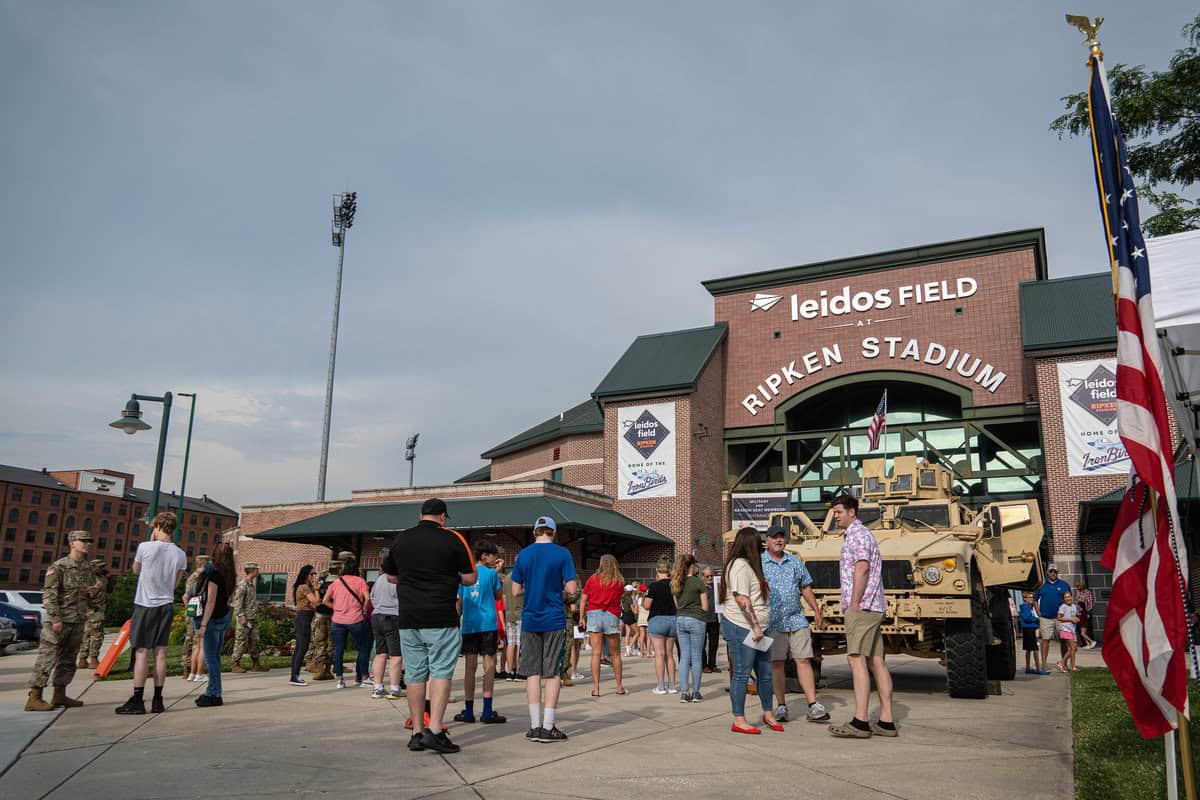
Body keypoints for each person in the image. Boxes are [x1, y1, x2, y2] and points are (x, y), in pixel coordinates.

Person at [386, 498, 476, 754]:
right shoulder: (453, 538)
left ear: (421, 515)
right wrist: (449, 573)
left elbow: (391, 575)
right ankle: (435, 730)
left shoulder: (401, 539)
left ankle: (416, 731)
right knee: (440, 673)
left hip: (409, 618)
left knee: (414, 674)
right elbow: (470, 578)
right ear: (443, 517)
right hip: (441, 616)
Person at [828, 495, 896, 739]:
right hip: (874, 605)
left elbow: (862, 567)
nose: (835, 516)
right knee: (876, 661)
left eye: (838, 512)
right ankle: (886, 721)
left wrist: (854, 603)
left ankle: (860, 721)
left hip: (863, 607)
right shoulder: (864, 534)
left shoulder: (857, 534)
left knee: (856, 659)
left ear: (852, 512)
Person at [511, 515, 577, 743]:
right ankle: (548, 727)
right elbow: (571, 587)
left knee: (532, 672)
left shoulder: (524, 555)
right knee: (553, 672)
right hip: (554, 618)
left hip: (530, 618)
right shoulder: (563, 554)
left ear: (534, 532)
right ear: (553, 532)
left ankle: (534, 726)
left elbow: (515, 590)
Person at [116, 512, 187, 715]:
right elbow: (175, 583)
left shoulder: (145, 547)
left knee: (141, 653)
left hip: (145, 604)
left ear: (156, 527)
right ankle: (158, 699)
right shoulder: (180, 554)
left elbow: (136, 570)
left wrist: (150, 542)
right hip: (166, 605)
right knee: (160, 653)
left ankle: (138, 699)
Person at [25, 531, 101, 712]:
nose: (87, 544)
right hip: (60, 621)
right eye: (83, 541)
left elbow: (88, 595)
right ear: (72, 543)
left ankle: (60, 694)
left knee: (68, 659)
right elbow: (49, 595)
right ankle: (34, 697)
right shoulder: (59, 567)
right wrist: (55, 618)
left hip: (78, 620)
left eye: (88, 541)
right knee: (47, 658)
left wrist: (93, 593)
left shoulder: (87, 568)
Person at [761, 525, 828, 724]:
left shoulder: (795, 561)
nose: (779, 541)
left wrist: (816, 610)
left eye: (782, 537)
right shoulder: (760, 563)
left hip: (797, 619)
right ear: (767, 541)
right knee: (777, 663)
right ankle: (781, 706)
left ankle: (813, 705)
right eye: (775, 538)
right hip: (773, 622)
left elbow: (805, 587)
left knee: (804, 659)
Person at [720, 527, 779, 734]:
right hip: (743, 627)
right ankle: (739, 719)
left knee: (765, 674)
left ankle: (768, 712)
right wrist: (755, 626)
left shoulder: (750, 567)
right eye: (759, 544)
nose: (762, 547)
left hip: (758, 629)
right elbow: (741, 599)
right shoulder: (739, 566)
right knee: (742, 674)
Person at [454, 540, 506, 723]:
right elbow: (499, 596)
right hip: (488, 624)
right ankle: (487, 710)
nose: (495, 559)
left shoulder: (464, 575)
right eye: (493, 555)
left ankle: (468, 711)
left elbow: (459, 601)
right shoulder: (491, 574)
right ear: (484, 556)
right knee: (489, 667)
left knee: (470, 668)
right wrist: (498, 574)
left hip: (469, 624)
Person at [580, 554, 628, 697]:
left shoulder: (592, 579)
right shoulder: (619, 581)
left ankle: (596, 689)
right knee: (615, 654)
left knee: (595, 653)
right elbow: (620, 597)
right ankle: (619, 687)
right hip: (611, 615)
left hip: (594, 614)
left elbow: (583, 599)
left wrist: (582, 617)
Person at [195, 542, 234, 707]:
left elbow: (210, 601)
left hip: (211, 619)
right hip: (223, 617)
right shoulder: (230, 574)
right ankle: (213, 691)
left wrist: (203, 625)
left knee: (211, 660)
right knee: (215, 658)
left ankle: (214, 694)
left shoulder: (214, 574)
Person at [323, 555, 371, 689]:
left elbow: (325, 601)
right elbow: (367, 599)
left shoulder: (336, 583)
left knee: (338, 649)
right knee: (363, 648)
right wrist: (364, 610)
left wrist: (337, 608)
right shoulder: (360, 581)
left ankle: (340, 680)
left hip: (337, 620)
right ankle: (363, 677)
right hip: (356, 619)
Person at [672, 553, 709, 703]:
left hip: (680, 619)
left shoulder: (675, 583)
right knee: (696, 657)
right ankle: (696, 692)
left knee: (684, 657)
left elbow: (677, 605)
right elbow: (705, 607)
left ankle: (684, 692)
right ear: (692, 566)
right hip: (696, 620)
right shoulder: (698, 583)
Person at [368, 554, 405, 700]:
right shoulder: (396, 579)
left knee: (380, 653)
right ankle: (395, 688)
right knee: (396, 655)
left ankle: (377, 687)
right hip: (392, 617)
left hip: (377, 616)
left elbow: (372, 597)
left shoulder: (379, 579)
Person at [644, 561, 678, 694]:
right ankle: (673, 686)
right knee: (669, 654)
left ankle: (661, 686)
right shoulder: (674, 585)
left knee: (659, 654)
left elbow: (647, 605)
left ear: (657, 571)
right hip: (672, 619)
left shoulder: (653, 586)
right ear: (669, 571)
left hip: (657, 619)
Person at [230, 561, 268, 673]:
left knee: (255, 641)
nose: (258, 571)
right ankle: (235, 664)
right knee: (241, 641)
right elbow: (237, 603)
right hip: (245, 619)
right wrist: (241, 617)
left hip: (253, 619)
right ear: (252, 570)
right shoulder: (243, 585)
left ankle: (256, 664)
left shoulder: (251, 584)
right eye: (257, 569)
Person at [1035, 565, 1071, 675]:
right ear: (1047, 573)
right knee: (1045, 640)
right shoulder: (1041, 585)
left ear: (1057, 572)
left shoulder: (1064, 585)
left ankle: (1064, 663)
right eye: (1051, 571)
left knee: (1064, 640)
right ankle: (1044, 664)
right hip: (1045, 618)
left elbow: (1068, 599)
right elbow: (1035, 600)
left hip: (1061, 618)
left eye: (1055, 571)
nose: (1053, 573)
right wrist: (1038, 613)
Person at [288, 565, 320, 686]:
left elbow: (316, 604)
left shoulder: (307, 588)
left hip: (304, 618)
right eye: (312, 574)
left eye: (314, 574)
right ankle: (294, 676)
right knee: (302, 648)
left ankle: (294, 675)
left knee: (300, 648)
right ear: (306, 575)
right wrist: (316, 588)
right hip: (303, 618)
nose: (314, 576)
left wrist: (315, 590)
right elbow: (316, 601)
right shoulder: (303, 587)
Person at [305, 562, 338, 681]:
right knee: (331, 643)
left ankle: (319, 669)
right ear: (339, 569)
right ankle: (327, 670)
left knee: (319, 643)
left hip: (319, 614)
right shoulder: (339, 583)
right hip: (333, 615)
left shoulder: (321, 583)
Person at [181, 555, 209, 682]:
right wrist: (191, 611)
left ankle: (192, 669)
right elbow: (187, 596)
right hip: (195, 613)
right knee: (194, 641)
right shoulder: (197, 577)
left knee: (194, 642)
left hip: (194, 612)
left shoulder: (198, 576)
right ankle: (189, 669)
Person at [79, 557, 109, 671]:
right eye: (100, 567)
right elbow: (84, 594)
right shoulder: (90, 579)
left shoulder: (100, 578)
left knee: (86, 635)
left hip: (94, 610)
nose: (102, 569)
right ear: (93, 567)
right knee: (96, 636)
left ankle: (83, 659)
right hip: (94, 611)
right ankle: (93, 659)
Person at [500, 563, 524, 680]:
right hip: (520, 613)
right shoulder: (523, 577)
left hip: (509, 614)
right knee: (519, 643)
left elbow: (504, 596)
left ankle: (509, 671)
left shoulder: (507, 578)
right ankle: (518, 670)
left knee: (510, 643)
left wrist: (507, 610)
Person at [1019, 590, 1049, 675]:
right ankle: (1038, 669)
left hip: (1028, 629)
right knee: (1035, 649)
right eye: (1030, 597)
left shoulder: (1029, 606)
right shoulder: (1025, 607)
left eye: (1033, 597)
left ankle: (1028, 667)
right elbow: (1027, 618)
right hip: (1029, 630)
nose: (1032, 599)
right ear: (1025, 598)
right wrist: (1037, 619)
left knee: (1029, 649)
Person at [701, 567, 721, 673]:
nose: (710, 578)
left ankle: (712, 664)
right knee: (702, 644)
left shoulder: (716, 587)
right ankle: (704, 665)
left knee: (714, 643)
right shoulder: (700, 588)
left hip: (714, 619)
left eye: (711, 576)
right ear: (702, 576)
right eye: (707, 576)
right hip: (703, 619)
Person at [1057, 592, 1081, 673]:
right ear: (1064, 599)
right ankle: (1072, 666)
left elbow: (1073, 616)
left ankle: (1063, 663)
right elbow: (1059, 618)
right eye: (1066, 597)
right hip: (1065, 629)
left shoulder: (1074, 606)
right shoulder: (1062, 607)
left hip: (1072, 630)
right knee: (1073, 648)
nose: (1068, 598)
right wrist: (1070, 620)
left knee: (1074, 649)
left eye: (1069, 596)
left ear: (1071, 597)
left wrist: (1076, 619)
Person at [1074, 581, 1098, 649]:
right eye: (1076, 586)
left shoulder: (1087, 592)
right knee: (1081, 630)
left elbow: (1090, 604)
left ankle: (1092, 642)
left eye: (1079, 585)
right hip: (1079, 614)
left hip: (1084, 613)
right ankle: (1088, 644)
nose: (1077, 587)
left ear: (1082, 585)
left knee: (1084, 631)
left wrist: (1086, 612)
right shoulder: (1078, 593)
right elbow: (1076, 603)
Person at [620, 584, 638, 656]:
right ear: (630, 591)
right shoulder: (629, 598)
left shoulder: (623, 598)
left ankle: (627, 651)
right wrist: (636, 606)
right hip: (630, 615)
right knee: (637, 632)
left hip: (625, 615)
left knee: (628, 633)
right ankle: (629, 647)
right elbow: (634, 611)